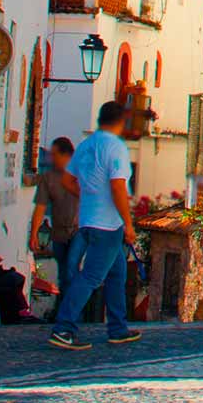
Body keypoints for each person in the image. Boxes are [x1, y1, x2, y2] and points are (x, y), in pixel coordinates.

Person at [48, 102, 139, 350]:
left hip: (87, 220)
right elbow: (118, 187)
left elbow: (68, 180)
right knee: (90, 276)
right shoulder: (116, 147)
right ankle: (63, 328)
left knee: (117, 274)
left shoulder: (86, 145)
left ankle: (118, 329)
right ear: (121, 121)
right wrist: (128, 224)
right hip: (107, 225)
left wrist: (89, 195)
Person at [29, 137, 81, 301]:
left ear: (66, 155)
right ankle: (66, 309)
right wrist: (34, 233)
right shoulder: (48, 178)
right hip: (58, 233)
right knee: (63, 272)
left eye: (55, 154)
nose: (51, 158)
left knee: (71, 267)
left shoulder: (82, 174)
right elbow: (40, 207)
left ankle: (70, 310)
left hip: (79, 231)